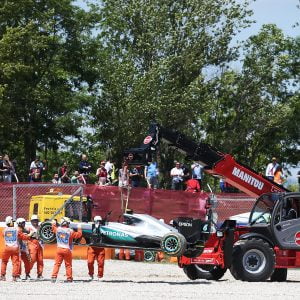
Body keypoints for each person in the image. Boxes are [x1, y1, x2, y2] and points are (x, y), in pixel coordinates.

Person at [1, 216, 33, 281]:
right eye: (12, 222)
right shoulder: (16, 230)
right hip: (15, 248)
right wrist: (30, 234)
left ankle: (2, 276)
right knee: (15, 263)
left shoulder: (3, 230)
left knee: (4, 262)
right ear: (10, 223)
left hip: (6, 248)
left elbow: (4, 235)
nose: (13, 223)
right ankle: (14, 277)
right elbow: (24, 237)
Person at [51, 217, 82, 283]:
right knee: (68, 265)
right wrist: (79, 228)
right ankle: (69, 278)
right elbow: (79, 235)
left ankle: (54, 276)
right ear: (66, 223)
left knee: (57, 264)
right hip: (67, 249)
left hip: (59, 249)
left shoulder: (58, 229)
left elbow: (53, 227)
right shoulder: (70, 231)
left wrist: (53, 222)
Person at [87, 216, 105, 280]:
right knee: (90, 262)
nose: (98, 222)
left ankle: (100, 276)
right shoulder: (90, 226)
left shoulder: (104, 228)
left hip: (101, 247)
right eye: (97, 221)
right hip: (92, 247)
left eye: (99, 221)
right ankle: (91, 274)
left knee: (101, 263)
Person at [27, 215, 44, 280]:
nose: (35, 222)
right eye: (33, 221)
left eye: (36, 220)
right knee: (32, 259)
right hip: (31, 243)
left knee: (40, 260)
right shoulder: (28, 228)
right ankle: (27, 273)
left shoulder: (40, 227)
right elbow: (25, 235)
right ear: (31, 221)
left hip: (39, 244)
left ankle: (40, 274)